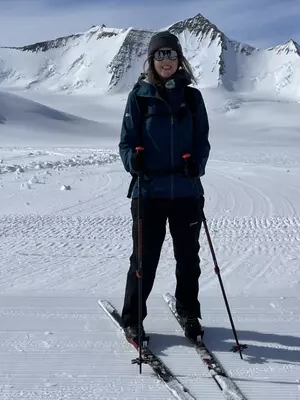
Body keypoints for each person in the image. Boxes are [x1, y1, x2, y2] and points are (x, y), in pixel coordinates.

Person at [118, 31, 211, 343]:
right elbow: (127, 142)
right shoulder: (139, 97)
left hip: (186, 191)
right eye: (160, 55)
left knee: (189, 259)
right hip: (149, 191)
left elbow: (202, 142)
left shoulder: (192, 98)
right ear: (151, 59)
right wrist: (135, 160)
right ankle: (132, 319)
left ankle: (188, 311)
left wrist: (196, 166)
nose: (167, 61)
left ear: (179, 58)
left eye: (172, 55)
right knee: (144, 260)